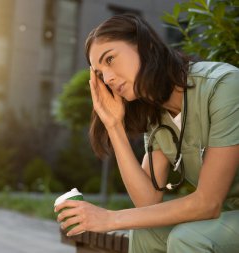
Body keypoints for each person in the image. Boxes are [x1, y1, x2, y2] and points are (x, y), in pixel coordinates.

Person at [54, 14, 239, 253]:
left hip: (223, 215)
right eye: (100, 74)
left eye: (110, 59)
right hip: (228, 217)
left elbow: (208, 203)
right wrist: (114, 126)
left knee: (188, 238)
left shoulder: (224, 86)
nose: (108, 78)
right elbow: (147, 201)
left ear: (146, 46)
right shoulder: (157, 117)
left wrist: (109, 218)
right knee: (145, 231)